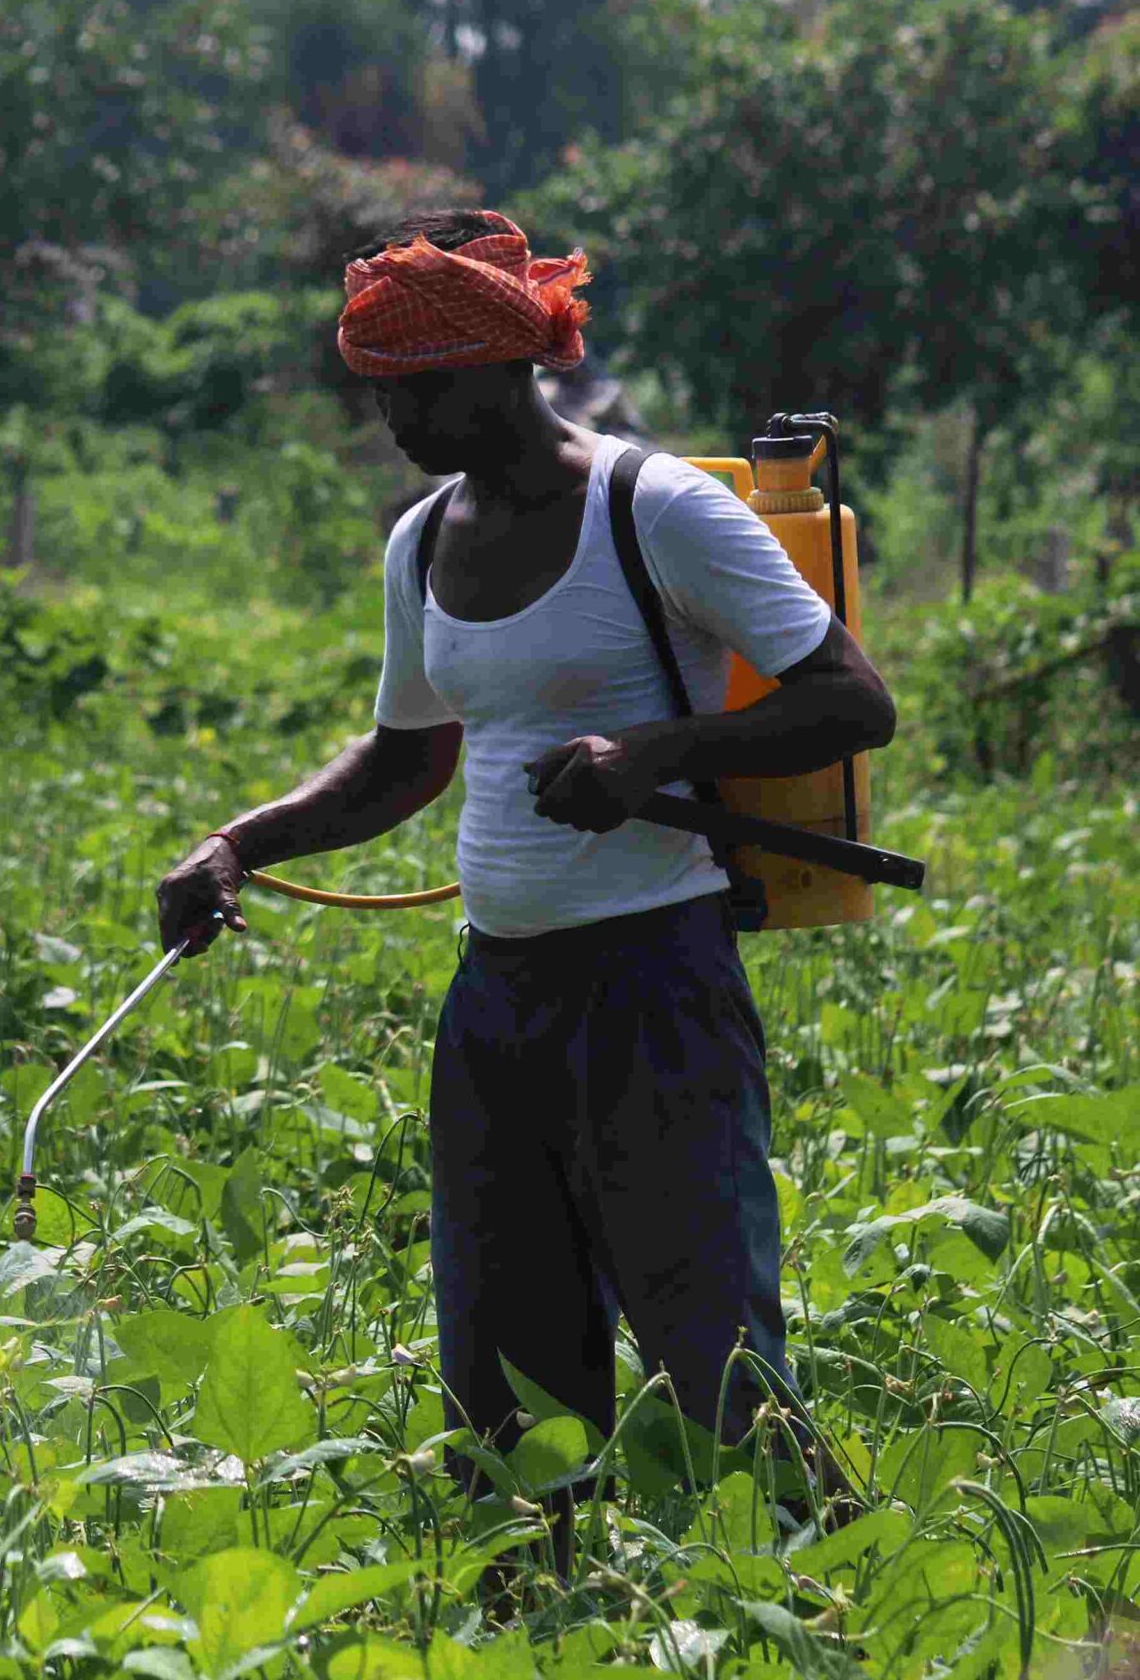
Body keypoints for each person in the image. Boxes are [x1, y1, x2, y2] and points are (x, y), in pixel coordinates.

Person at [155, 209, 894, 1539]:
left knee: (712, 1355)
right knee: (505, 1374)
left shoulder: (652, 507)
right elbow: (402, 762)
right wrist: (239, 841)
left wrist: (654, 752)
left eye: (420, 390)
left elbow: (852, 699)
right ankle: (540, 1612)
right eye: (381, 394)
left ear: (508, 368)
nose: (397, 421)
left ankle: (833, 1602)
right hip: (495, 1001)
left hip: (655, 982)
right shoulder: (422, 539)